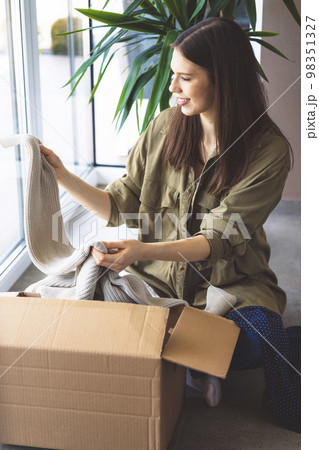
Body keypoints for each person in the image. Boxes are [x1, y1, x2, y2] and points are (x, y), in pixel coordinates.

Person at [40, 18, 300, 431]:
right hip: (154, 282)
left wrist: (141, 250)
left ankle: (196, 359)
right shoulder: (165, 125)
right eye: (173, 75)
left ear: (224, 80)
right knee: (79, 314)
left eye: (184, 78)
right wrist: (60, 175)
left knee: (256, 340)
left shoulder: (269, 151)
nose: (171, 88)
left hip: (226, 284)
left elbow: (218, 239)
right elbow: (119, 203)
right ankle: (194, 363)